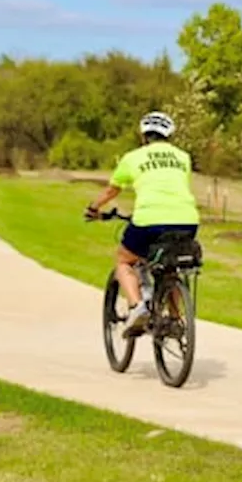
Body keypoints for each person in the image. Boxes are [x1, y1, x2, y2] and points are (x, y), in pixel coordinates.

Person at [84, 111, 200, 336]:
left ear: (144, 135)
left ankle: (138, 307)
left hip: (149, 221)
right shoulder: (183, 157)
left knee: (124, 260)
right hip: (187, 220)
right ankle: (175, 318)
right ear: (169, 135)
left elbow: (112, 190)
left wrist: (94, 208)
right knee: (170, 266)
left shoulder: (132, 157)